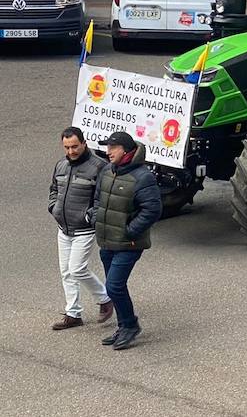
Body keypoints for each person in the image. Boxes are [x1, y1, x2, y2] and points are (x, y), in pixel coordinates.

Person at [88, 131, 162, 350]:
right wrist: (95, 218)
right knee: (115, 287)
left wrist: (129, 231)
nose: (108, 152)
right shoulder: (107, 171)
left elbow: (152, 210)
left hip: (129, 243)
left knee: (113, 286)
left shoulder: (142, 176)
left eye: (113, 148)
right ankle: (123, 326)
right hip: (107, 241)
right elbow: (98, 199)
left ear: (127, 150)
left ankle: (130, 325)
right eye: (107, 147)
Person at [49, 127, 112, 331]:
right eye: (67, 147)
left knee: (77, 269)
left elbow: (103, 198)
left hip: (84, 229)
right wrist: (53, 207)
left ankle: (104, 298)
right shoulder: (61, 165)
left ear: (84, 143)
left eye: (75, 146)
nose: (71, 151)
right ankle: (73, 313)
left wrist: (89, 216)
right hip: (63, 227)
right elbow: (54, 190)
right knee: (66, 272)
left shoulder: (99, 167)